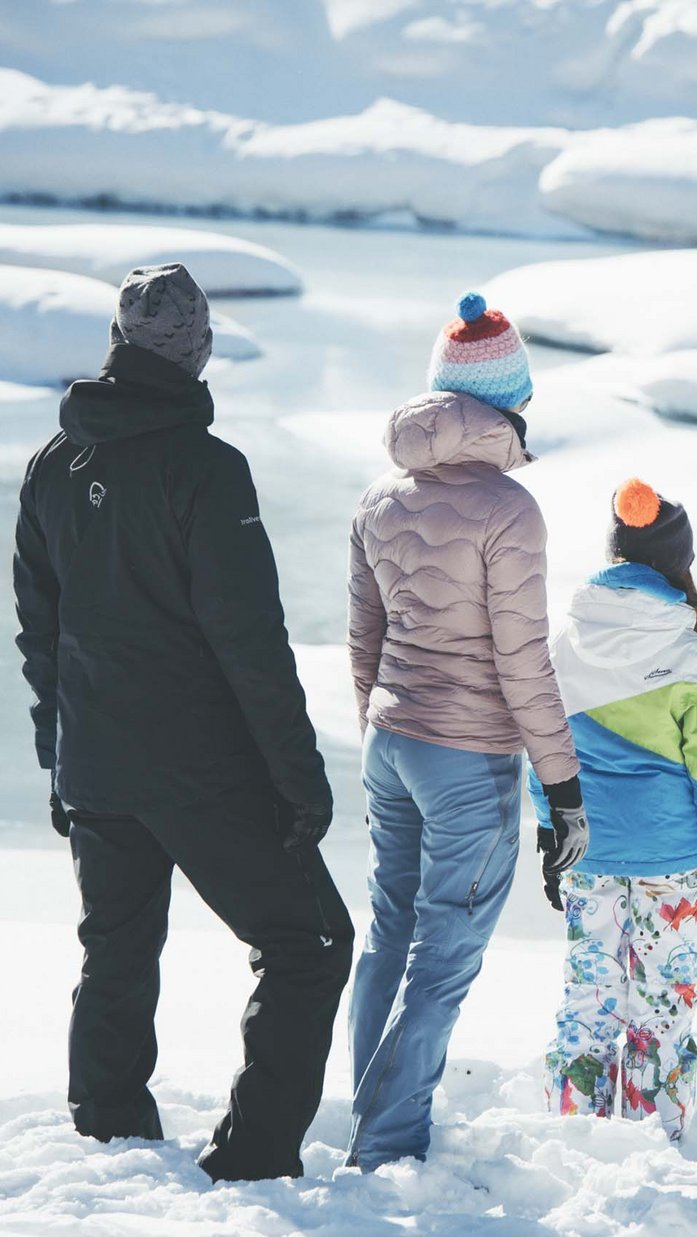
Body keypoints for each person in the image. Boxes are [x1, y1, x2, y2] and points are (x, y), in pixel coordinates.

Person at [11, 263, 351, 1182]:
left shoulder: (50, 465)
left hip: (96, 766)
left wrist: (57, 760)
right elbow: (252, 646)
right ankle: (251, 1157)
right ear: (198, 351)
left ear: (117, 346)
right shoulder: (208, 469)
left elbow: (38, 637)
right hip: (200, 770)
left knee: (117, 947)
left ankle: (109, 1142)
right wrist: (301, 779)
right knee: (312, 942)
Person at [345, 292, 585, 1169]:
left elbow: (363, 638)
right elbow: (525, 663)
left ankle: (373, 1119)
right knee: (441, 960)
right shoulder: (508, 510)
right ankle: (387, 1142)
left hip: (392, 742)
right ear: (509, 400)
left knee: (388, 935)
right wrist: (563, 790)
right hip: (468, 759)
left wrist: (381, 727)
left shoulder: (380, 497)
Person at [529, 477, 697, 1143]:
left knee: (588, 1001)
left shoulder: (563, 646)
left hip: (589, 854)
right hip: (672, 863)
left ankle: (572, 1139)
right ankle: (657, 1144)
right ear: (676, 566)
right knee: (661, 1009)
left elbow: (542, 748)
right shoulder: (688, 653)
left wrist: (551, 835)